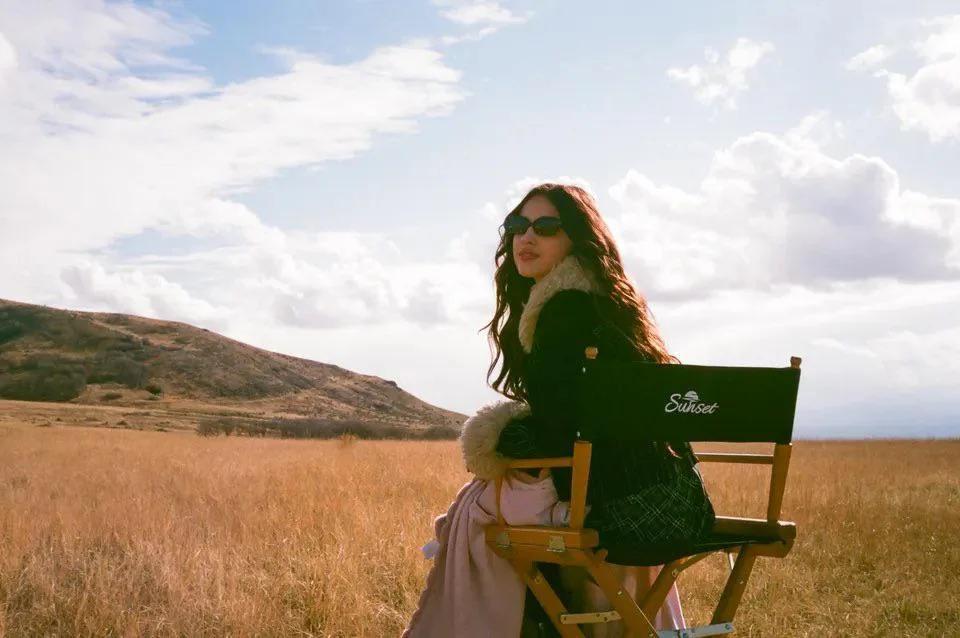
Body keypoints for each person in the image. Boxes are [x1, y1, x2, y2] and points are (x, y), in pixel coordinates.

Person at [404, 183, 715, 638]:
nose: (527, 237)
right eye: (518, 225)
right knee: (496, 497)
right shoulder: (608, 304)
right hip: (674, 498)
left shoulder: (563, 310)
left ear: (576, 239)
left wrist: (501, 434)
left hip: (615, 503)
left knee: (474, 510)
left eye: (546, 226)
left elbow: (562, 428)